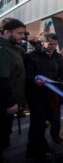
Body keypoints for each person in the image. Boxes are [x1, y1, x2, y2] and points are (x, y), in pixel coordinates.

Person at [25, 33, 63, 161]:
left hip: (53, 95)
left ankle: (47, 144)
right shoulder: (31, 56)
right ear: (42, 43)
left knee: (55, 119)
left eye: (55, 44)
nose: (53, 47)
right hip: (37, 95)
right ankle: (35, 150)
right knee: (38, 124)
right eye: (50, 44)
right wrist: (34, 80)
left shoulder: (57, 56)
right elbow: (27, 76)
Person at [0, 18, 26, 162]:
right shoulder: (2, 50)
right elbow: (2, 80)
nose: (23, 36)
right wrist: (10, 103)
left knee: (6, 132)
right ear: (6, 32)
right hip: (4, 102)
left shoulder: (13, 47)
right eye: (19, 33)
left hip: (12, 99)